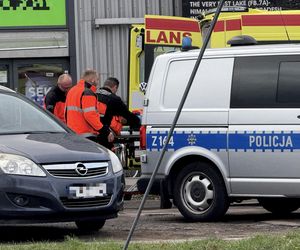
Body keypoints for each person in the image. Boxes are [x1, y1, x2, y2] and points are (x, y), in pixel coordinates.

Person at [65, 69, 113, 143]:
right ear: (93, 80)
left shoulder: (72, 91)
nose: (98, 82)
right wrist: (105, 131)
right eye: (97, 79)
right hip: (86, 135)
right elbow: (90, 115)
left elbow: (65, 113)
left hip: (72, 134)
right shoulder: (87, 92)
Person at [96, 77, 141, 149]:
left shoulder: (93, 94)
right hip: (104, 135)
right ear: (115, 87)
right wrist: (138, 122)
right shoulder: (114, 99)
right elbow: (127, 115)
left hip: (90, 133)